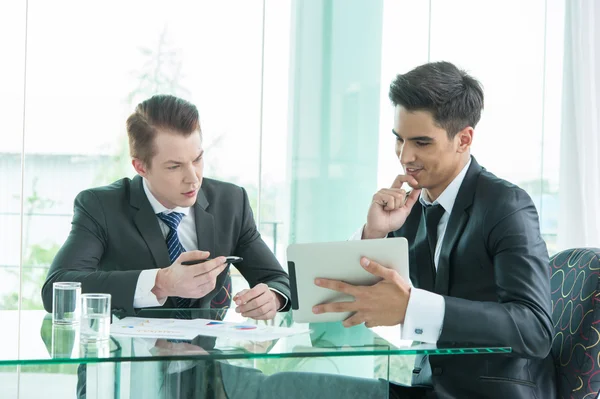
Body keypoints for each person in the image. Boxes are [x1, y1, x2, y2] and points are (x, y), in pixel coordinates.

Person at [312, 62, 556, 398]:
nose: (405, 156)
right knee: (303, 388)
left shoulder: (506, 205)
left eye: (421, 143)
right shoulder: (408, 208)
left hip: (494, 393)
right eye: (399, 140)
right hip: (428, 390)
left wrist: (414, 306)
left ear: (464, 139)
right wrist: (376, 233)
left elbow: (534, 329)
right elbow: (349, 298)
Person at [41, 95, 290, 320]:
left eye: (197, 159)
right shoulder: (101, 207)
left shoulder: (231, 201)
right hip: (127, 363)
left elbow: (278, 280)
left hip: (209, 362)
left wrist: (274, 298)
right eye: (174, 166)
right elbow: (56, 290)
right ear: (141, 167)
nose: (193, 178)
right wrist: (160, 283)